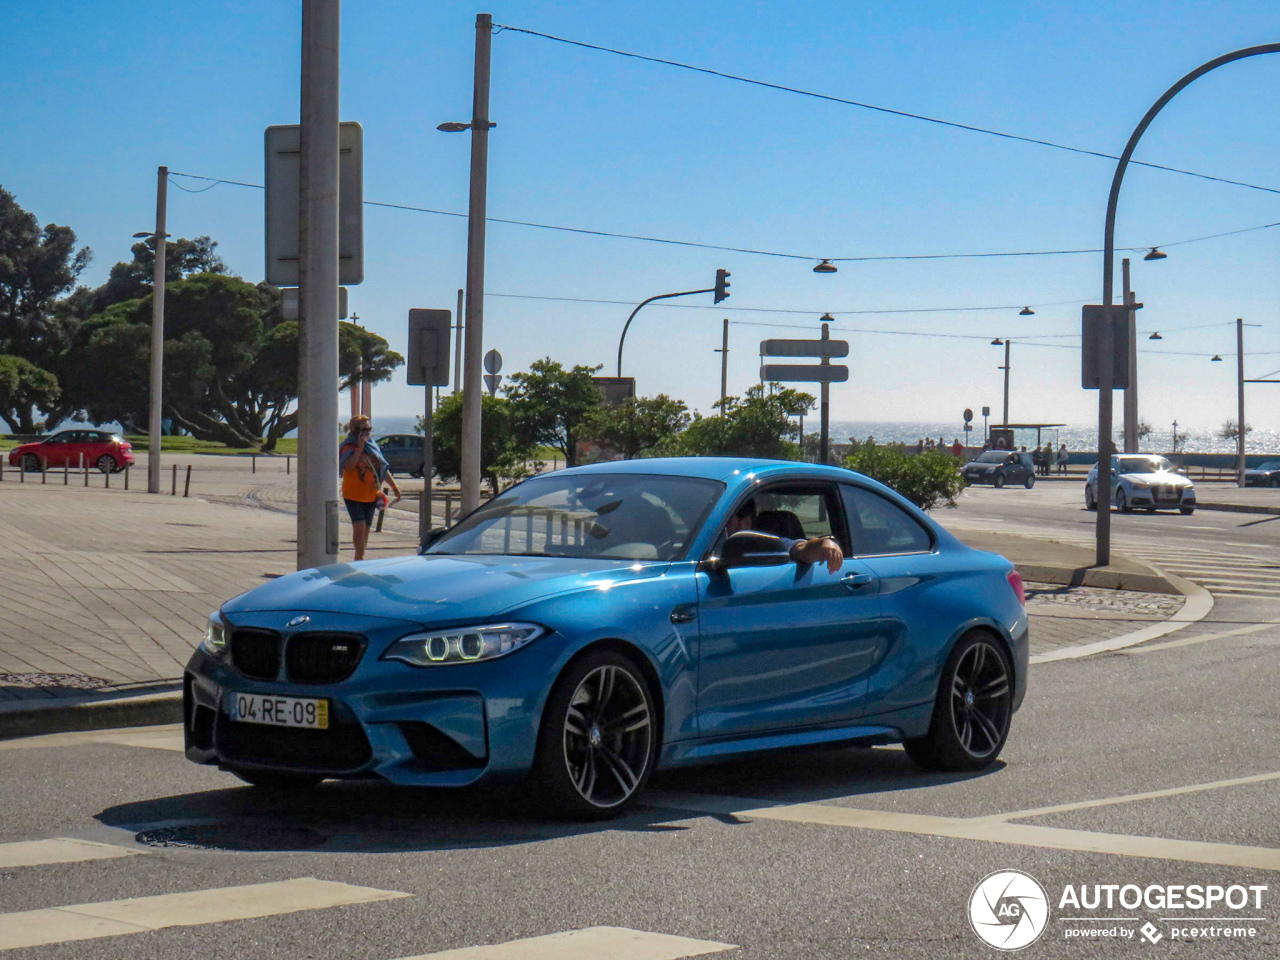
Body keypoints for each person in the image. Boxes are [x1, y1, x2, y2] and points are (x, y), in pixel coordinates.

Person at [339, 415, 401, 561]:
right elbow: (348, 466)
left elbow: (382, 469)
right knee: (359, 526)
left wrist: (394, 486)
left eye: (369, 428)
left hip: (371, 494)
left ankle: (359, 558)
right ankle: (360, 559)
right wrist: (359, 448)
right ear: (355, 430)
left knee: (366, 529)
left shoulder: (373, 445)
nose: (368, 432)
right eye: (364, 429)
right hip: (353, 494)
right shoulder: (348, 446)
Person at [724, 499, 842, 573]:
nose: (721, 525)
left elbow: (801, 549)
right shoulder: (710, 545)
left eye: (726, 519)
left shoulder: (768, 545)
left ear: (745, 524)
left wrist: (824, 544)